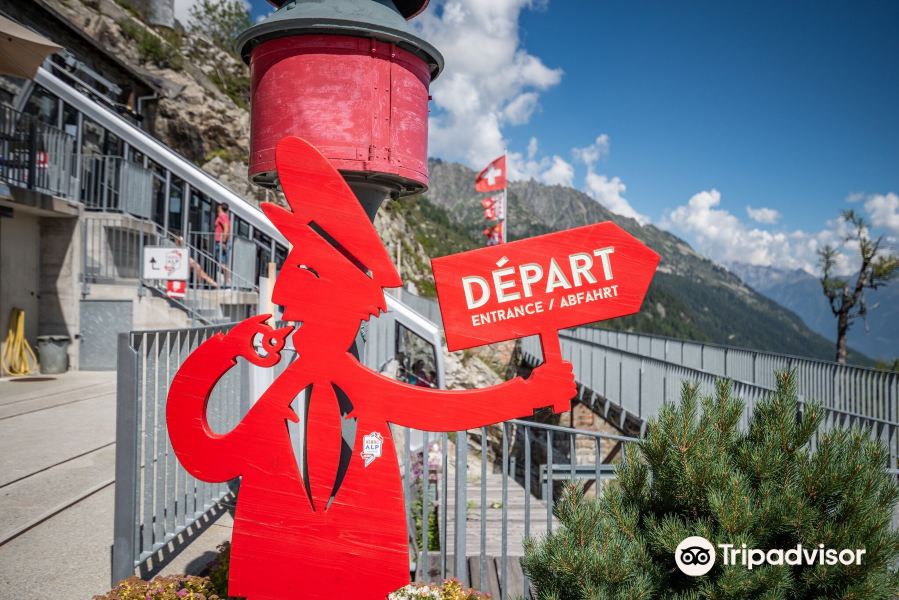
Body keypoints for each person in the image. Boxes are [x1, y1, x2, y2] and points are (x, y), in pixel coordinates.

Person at [166, 137, 576, 600]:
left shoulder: (330, 389)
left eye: (304, 274)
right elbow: (202, 453)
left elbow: (444, 411)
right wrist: (226, 350)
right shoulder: (292, 393)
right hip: (280, 576)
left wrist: (529, 393)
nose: (281, 296)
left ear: (342, 299)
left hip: (358, 574)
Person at [214, 202, 231, 286]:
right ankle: (226, 281)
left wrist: (223, 241)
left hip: (220, 242)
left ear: (220, 208)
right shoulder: (224, 216)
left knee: (222, 262)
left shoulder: (222, 216)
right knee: (222, 262)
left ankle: (226, 282)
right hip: (220, 241)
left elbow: (226, 228)